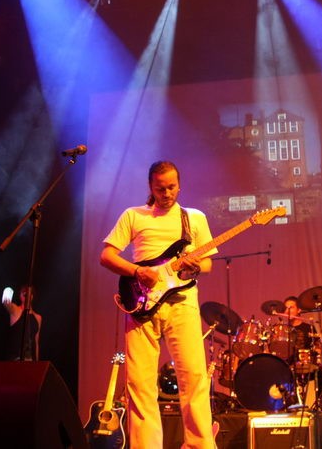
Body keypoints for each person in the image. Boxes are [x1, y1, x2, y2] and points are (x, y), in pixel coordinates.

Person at [100, 160, 216, 449]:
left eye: (172, 187)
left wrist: (194, 267)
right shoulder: (133, 215)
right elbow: (107, 256)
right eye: (160, 188)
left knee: (194, 378)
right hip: (141, 303)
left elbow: (207, 263)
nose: (167, 193)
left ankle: (200, 446)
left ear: (180, 184)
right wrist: (138, 271)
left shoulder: (194, 218)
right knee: (139, 383)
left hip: (182, 303)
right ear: (150, 187)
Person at [1, 284, 42, 361]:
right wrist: (8, 291)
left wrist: (36, 362)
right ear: (20, 295)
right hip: (15, 358)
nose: (25, 295)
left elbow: (36, 342)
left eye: (28, 293)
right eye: (23, 293)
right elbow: (6, 303)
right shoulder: (15, 310)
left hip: (30, 360)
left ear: (32, 296)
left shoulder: (38, 317)